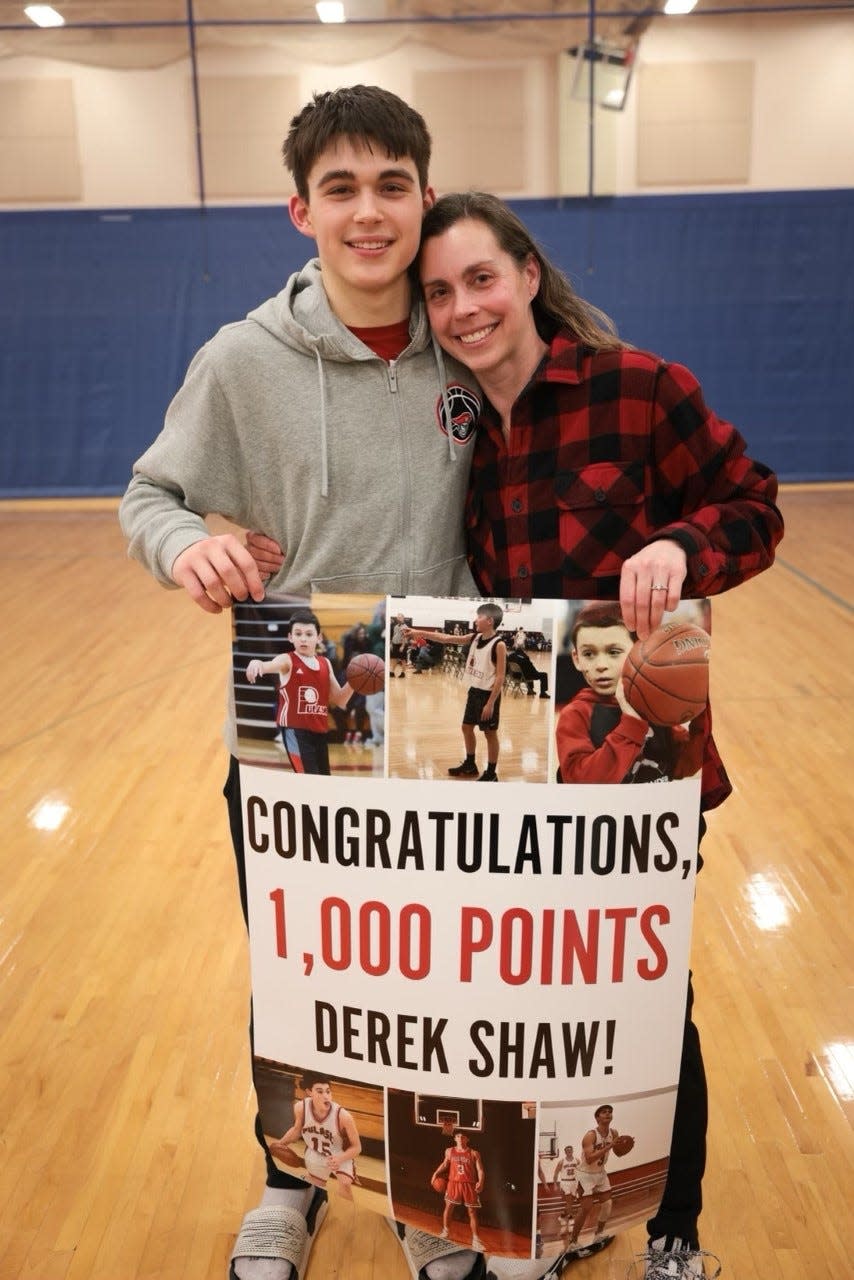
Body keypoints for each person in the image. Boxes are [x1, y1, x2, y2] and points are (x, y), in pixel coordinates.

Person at [119, 86, 489, 1280]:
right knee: (300, 971)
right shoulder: (242, 358)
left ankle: (426, 1192)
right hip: (296, 724)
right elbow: (148, 498)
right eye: (341, 188)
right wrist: (193, 546)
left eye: (392, 185)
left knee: (432, 968)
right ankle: (290, 1183)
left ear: (425, 197)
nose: (368, 211)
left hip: (449, 720)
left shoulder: (472, 336)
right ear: (299, 210)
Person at [415, 191, 783, 1278]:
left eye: (479, 278)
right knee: (535, 998)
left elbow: (754, 504)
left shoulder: (640, 387)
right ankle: (565, 1212)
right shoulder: (455, 427)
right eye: (438, 292)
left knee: (647, 997)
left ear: (527, 275)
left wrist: (681, 540)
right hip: (513, 770)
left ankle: (673, 1231)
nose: (462, 307)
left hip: (637, 763)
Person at [555, 602, 704, 785]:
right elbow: (582, 783)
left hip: (654, 811)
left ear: (638, 651)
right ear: (576, 659)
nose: (601, 665)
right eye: (589, 654)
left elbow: (684, 764)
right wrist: (632, 725)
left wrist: (702, 709)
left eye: (614, 652)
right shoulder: (575, 715)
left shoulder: (653, 702)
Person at [403, 602, 506, 781]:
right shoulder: (475, 638)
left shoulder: (499, 645)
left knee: (490, 734)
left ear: (489, 621)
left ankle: (491, 773)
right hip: (474, 691)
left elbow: (500, 677)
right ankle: (470, 764)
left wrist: (490, 703)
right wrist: (418, 632)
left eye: (479, 617)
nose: (475, 620)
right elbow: (445, 638)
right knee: (466, 727)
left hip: (488, 695)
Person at [245, 608, 355, 773]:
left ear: (319, 637)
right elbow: (268, 665)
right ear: (290, 637)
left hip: (320, 731)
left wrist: (355, 682)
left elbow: (340, 700)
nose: (303, 639)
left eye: (309, 634)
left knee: (324, 782)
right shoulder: (287, 660)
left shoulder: (325, 662)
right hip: (295, 731)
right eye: (298, 633)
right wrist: (256, 662)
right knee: (308, 782)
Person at [268, 1074, 361, 1201]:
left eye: (328, 1092)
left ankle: (349, 1212)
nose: (326, 1096)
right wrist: (280, 1144)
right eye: (320, 1091)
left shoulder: (343, 1116)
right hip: (316, 1153)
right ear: (309, 1092)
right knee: (315, 1187)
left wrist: (340, 1159)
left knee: (345, 1183)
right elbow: (296, 1130)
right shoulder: (301, 1107)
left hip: (340, 1154)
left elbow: (357, 1147)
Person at [566, 1106, 622, 1250]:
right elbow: (590, 1159)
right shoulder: (591, 1135)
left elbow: (619, 1153)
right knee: (586, 1208)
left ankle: (598, 1234)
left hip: (600, 1173)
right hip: (585, 1175)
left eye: (610, 1112)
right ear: (597, 1118)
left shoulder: (614, 1133)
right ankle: (572, 1242)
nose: (608, 1114)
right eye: (604, 1112)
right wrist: (609, 1146)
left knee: (608, 1204)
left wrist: (625, 1145)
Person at [432, 1131, 486, 1252]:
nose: (460, 1138)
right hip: (453, 1183)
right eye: (457, 1136)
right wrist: (435, 1173)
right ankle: (446, 1231)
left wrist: (481, 1181)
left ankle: (476, 1240)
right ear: (454, 1139)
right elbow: (445, 1164)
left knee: (472, 1211)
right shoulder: (449, 1151)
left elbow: (480, 1170)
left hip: (469, 1184)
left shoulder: (474, 1153)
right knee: (449, 1206)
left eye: (463, 1136)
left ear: (467, 1139)